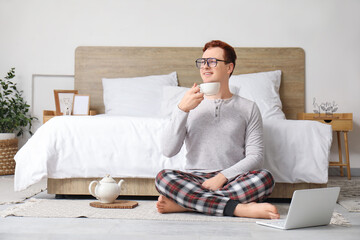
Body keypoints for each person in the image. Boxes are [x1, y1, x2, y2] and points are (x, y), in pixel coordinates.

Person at [154, 40, 280, 219]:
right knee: (163, 178)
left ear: (229, 68)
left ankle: (187, 204)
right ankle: (238, 209)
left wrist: (222, 177)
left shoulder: (248, 107)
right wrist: (182, 109)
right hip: (195, 178)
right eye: (202, 62)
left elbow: (256, 157)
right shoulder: (187, 104)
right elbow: (168, 150)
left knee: (265, 178)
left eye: (212, 62)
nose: (205, 67)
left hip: (232, 178)